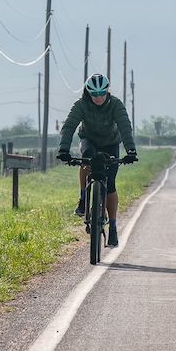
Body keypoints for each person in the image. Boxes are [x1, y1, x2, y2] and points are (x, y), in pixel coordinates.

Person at [57, 73, 137, 248]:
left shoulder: (115, 104)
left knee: (110, 184)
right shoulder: (81, 105)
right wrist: (64, 149)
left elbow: (124, 126)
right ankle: (84, 197)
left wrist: (131, 150)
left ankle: (113, 227)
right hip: (89, 140)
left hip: (111, 144)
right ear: (88, 92)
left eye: (102, 93)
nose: (99, 97)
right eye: (94, 94)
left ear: (107, 91)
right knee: (87, 160)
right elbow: (69, 126)